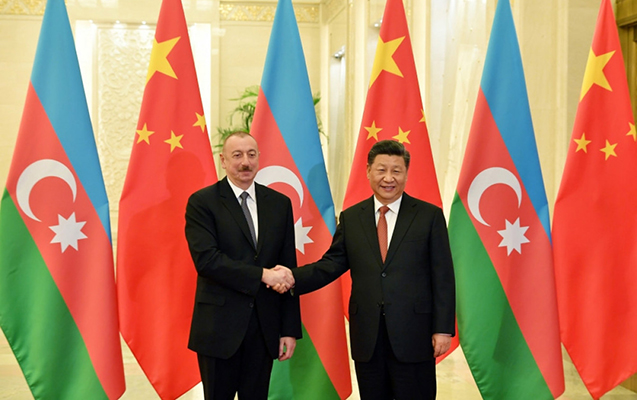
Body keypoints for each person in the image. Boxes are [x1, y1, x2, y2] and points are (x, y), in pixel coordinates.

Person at [274, 140, 455, 400]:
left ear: (406, 173)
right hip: (368, 337)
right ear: (368, 171)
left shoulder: (429, 216)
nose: (388, 178)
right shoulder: (351, 218)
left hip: (414, 334)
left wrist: (443, 329)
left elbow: (443, 277)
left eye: (396, 171)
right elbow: (331, 264)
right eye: (381, 170)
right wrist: (292, 278)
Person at [185, 131, 300, 400]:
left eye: (251, 154)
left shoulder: (280, 204)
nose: (245, 162)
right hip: (218, 328)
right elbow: (207, 261)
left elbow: (287, 268)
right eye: (237, 155)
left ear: (259, 157)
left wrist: (289, 329)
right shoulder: (203, 202)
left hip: (264, 327)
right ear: (223, 161)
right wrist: (262, 275)